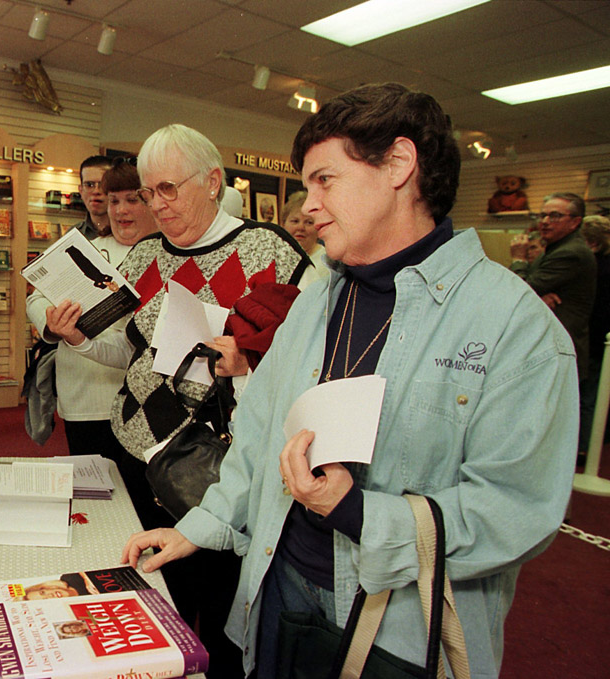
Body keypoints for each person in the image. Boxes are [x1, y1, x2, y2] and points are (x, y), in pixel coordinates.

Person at [122, 84, 577, 679]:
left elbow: (518, 509)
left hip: (403, 628)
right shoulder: (315, 304)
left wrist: (361, 513)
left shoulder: (517, 328)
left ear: (398, 165)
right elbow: (258, 436)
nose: (307, 205)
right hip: (277, 589)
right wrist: (199, 529)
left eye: (324, 180)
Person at [47, 124, 309, 678]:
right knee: (149, 599)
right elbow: (135, 352)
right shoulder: (143, 256)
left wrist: (250, 363)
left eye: (168, 189)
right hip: (137, 454)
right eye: (147, 193)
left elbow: (313, 361)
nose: (155, 205)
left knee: (214, 606)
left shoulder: (269, 250)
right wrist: (83, 339)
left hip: (213, 468)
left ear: (213, 182)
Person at [26, 157, 157, 462]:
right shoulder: (87, 247)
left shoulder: (162, 253)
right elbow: (36, 296)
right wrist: (52, 322)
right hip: (83, 398)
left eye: (132, 200)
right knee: (94, 490)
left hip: (140, 401)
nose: (121, 210)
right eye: (114, 201)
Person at [509, 193, 596, 376]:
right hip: (547, 347)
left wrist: (518, 259)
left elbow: (519, 291)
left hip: (560, 351)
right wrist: (538, 297)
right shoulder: (554, 248)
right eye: (542, 215)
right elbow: (530, 290)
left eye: (555, 216)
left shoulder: (570, 252)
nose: (545, 221)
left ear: (575, 222)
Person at [579, 215, 610, 453]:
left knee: (588, 399)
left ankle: (584, 449)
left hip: (594, 341)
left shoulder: (592, 268)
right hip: (600, 341)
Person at [281, 190, 329, 290]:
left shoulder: (328, 264)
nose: (301, 227)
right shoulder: (274, 256)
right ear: (283, 224)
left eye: (309, 222)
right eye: (295, 221)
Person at [74, 155, 113, 239]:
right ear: (81, 191)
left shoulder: (129, 233)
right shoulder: (73, 236)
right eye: (89, 185)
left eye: (102, 184)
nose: (96, 191)